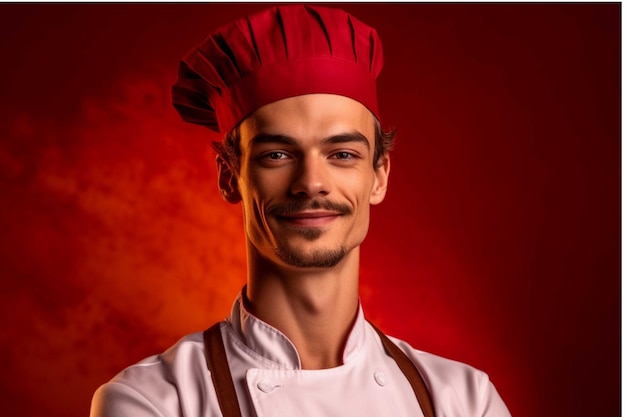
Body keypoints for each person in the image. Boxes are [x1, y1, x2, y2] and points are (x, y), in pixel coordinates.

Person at [90, 5, 511, 417]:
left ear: (379, 176)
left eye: (342, 154)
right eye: (277, 154)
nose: (311, 182)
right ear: (228, 176)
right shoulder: (152, 402)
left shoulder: (464, 400)